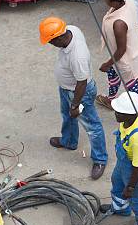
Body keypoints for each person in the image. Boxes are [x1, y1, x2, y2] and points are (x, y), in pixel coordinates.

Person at [39, 17, 108, 180]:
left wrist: (75, 105)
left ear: (60, 37)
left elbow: (82, 83)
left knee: (92, 126)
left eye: (51, 41)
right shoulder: (71, 29)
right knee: (67, 115)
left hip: (79, 92)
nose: (50, 44)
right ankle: (69, 141)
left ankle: (100, 159)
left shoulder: (78, 56)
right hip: (67, 88)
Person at [101, 91, 138, 225]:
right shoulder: (133, 116)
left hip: (137, 170)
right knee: (117, 181)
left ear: (131, 115)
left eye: (119, 112)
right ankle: (121, 208)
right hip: (125, 161)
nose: (115, 113)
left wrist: (131, 187)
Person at [96, 0, 138, 109]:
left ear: (114, 2)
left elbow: (121, 49)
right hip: (132, 48)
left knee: (132, 85)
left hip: (125, 60)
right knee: (113, 73)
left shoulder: (118, 24)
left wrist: (107, 63)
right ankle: (110, 100)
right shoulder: (127, 1)